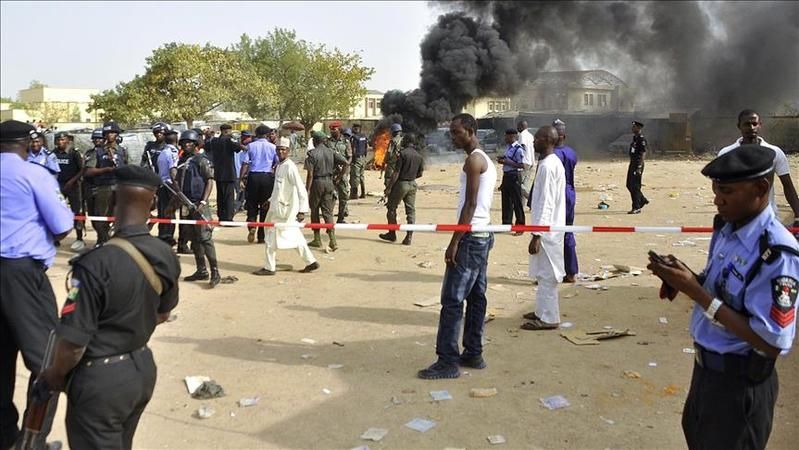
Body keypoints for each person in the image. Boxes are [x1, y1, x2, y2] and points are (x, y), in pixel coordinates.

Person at [647, 145, 799, 449]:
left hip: (740, 387)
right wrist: (684, 277)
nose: (717, 199)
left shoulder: (776, 253)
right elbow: (722, 288)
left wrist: (697, 292)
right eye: (716, 189)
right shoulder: (728, 228)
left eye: (727, 191)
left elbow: (771, 341)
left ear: (760, 188)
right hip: (707, 376)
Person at [37, 164, 180, 450]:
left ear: (113, 200)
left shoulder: (94, 264)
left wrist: (52, 375)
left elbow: (74, 343)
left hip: (101, 380)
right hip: (141, 370)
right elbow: (163, 313)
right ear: (152, 203)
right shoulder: (165, 254)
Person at [1, 120, 74, 450]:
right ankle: (31, 443)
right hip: (21, 275)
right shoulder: (33, 174)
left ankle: (5, 437)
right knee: (48, 361)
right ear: (28, 143)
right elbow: (61, 225)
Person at [418, 113, 496, 380]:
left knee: (452, 300)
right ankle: (473, 353)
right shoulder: (483, 159)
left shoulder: (474, 161)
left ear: (471, 130)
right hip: (482, 235)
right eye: (452, 132)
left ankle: (447, 362)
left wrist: (454, 241)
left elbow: (471, 205)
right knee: (476, 298)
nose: (453, 137)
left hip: (471, 236)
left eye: (457, 132)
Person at [718, 109, 799, 234]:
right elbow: (719, 188)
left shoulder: (775, 152)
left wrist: (798, 215)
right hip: (736, 220)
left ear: (760, 125)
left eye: (754, 124)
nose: (751, 127)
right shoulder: (726, 154)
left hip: (767, 220)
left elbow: (788, 186)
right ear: (739, 126)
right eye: (746, 124)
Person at [521, 126, 566, 331]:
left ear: (547, 140)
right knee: (541, 273)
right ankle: (541, 310)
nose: (533, 141)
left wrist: (537, 234)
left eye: (537, 138)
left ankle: (548, 318)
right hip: (548, 228)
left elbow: (546, 203)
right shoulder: (549, 162)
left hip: (547, 231)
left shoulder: (549, 166)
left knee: (547, 275)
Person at [254, 137, 319, 276]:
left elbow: (301, 188)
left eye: (283, 150)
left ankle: (269, 267)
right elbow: (278, 189)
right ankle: (311, 261)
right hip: (277, 208)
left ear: (288, 151)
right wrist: (270, 200)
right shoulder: (279, 166)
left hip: (286, 211)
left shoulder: (290, 167)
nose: (280, 152)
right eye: (278, 150)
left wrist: (302, 210)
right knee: (295, 236)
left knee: (270, 237)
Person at [178, 130, 221, 287]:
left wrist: (202, 202)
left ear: (196, 144)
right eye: (183, 143)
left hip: (199, 206)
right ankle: (201, 270)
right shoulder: (182, 161)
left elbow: (209, 181)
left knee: (205, 238)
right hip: (186, 204)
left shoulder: (201, 160)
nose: (185, 145)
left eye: (188, 142)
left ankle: (215, 271)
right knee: (194, 240)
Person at [84, 121, 128, 247]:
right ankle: (102, 240)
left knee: (120, 217)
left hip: (120, 187)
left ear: (117, 134)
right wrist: (106, 170)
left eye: (113, 133)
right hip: (104, 187)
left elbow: (127, 167)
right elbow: (88, 171)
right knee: (101, 216)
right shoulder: (98, 152)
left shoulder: (122, 151)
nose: (110, 135)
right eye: (108, 133)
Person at [305, 131, 348, 251]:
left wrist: (307, 189)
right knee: (328, 212)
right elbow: (346, 163)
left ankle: (317, 239)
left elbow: (310, 175)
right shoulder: (331, 152)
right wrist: (338, 178)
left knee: (314, 210)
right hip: (329, 183)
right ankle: (333, 240)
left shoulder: (312, 154)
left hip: (317, 183)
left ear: (314, 141)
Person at [379, 132, 425, 246]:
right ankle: (409, 237)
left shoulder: (402, 154)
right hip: (413, 185)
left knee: (391, 208)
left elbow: (396, 173)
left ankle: (392, 233)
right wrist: (411, 176)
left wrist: (389, 188)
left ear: (406, 141)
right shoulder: (419, 156)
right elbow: (420, 173)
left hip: (401, 184)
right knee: (410, 211)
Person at [240, 125, 278, 244]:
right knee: (265, 206)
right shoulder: (272, 147)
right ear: (267, 135)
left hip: (253, 176)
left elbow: (245, 163)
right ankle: (262, 235)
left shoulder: (250, 146)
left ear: (256, 134)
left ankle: (252, 226)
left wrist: (241, 178)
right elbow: (277, 163)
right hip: (267, 177)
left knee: (251, 204)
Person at [553, 119, 579, 282]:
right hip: (570, 192)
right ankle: (571, 271)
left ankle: (552, 272)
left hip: (557, 194)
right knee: (568, 231)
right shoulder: (572, 153)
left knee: (551, 233)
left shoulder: (552, 155)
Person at [53, 131, 86, 250]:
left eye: (62, 140)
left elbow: (82, 169)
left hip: (73, 187)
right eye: (58, 140)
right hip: (59, 187)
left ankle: (79, 238)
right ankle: (55, 238)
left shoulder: (74, 153)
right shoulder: (53, 153)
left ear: (68, 141)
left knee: (77, 212)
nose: (60, 142)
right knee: (56, 211)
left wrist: (72, 181)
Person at [208, 124, 240, 221]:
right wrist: (233, 138)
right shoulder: (229, 140)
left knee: (220, 196)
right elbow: (238, 148)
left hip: (218, 173)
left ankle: (221, 216)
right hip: (229, 173)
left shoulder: (214, 141)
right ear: (227, 131)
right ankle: (228, 218)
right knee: (229, 197)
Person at [497, 128, 526, 231]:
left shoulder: (519, 149)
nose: (505, 138)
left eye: (506, 136)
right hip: (507, 176)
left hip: (514, 176)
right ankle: (506, 224)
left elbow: (522, 165)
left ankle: (520, 226)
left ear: (512, 136)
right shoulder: (508, 147)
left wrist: (507, 162)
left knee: (517, 202)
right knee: (506, 202)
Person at [155, 130, 179, 247]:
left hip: (162, 185)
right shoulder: (173, 153)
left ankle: (163, 237)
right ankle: (167, 240)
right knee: (169, 214)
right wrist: (177, 190)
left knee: (163, 213)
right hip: (170, 186)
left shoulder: (163, 152)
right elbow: (173, 172)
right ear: (176, 139)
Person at [328, 122, 352, 223]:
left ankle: (341, 217)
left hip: (343, 173)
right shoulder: (327, 142)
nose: (333, 131)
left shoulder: (346, 142)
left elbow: (350, 156)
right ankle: (329, 219)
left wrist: (346, 165)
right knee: (330, 196)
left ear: (339, 130)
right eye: (331, 129)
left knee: (344, 195)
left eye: (335, 129)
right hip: (331, 172)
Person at [626, 120, 649, 214]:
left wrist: (639, 166)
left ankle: (636, 207)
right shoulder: (635, 138)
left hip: (637, 164)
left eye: (634, 127)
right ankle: (642, 199)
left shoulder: (641, 139)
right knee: (629, 185)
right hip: (632, 163)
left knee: (635, 186)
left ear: (639, 128)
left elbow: (643, 153)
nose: (632, 128)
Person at [516, 120, 536, 203]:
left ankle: (532, 201)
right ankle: (522, 205)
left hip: (524, 163)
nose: (517, 128)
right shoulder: (530, 135)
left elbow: (522, 148)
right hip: (531, 162)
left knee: (520, 186)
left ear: (521, 126)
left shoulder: (522, 135)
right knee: (525, 185)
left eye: (518, 126)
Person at [349, 125, 368, 199]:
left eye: (353, 128)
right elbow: (366, 147)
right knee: (361, 176)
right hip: (363, 158)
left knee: (355, 177)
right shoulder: (364, 137)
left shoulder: (354, 138)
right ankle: (363, 193)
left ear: (356, 129)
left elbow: (353, 149)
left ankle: (354, 194)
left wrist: (352, 160)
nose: (352, 129)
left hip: (356, 158)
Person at [382, 123, 403, 192]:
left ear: (394, 132)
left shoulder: (393, 141)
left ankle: (390, 196)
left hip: (393, 163)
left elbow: (389, 153)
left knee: (388, 179)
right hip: (402, 162)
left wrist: (385, 161)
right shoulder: (403, 140)